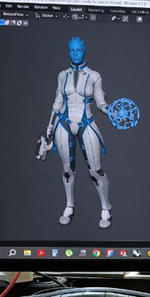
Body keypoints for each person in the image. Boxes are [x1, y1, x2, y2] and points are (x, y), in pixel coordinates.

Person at [44, 36, 112, 229]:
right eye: (72, 50)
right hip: (63, 123)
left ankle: (106, 207)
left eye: (79, 50)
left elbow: (100, 103)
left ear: (84, 50)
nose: (75, 54)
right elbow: (58, 102)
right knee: (67, 170)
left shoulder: (94, 76)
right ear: (68, 51)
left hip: (86, 122)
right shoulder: (62, 75)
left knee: (95, 170)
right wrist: (50, 126)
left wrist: (112, 110)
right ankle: (69, 206)